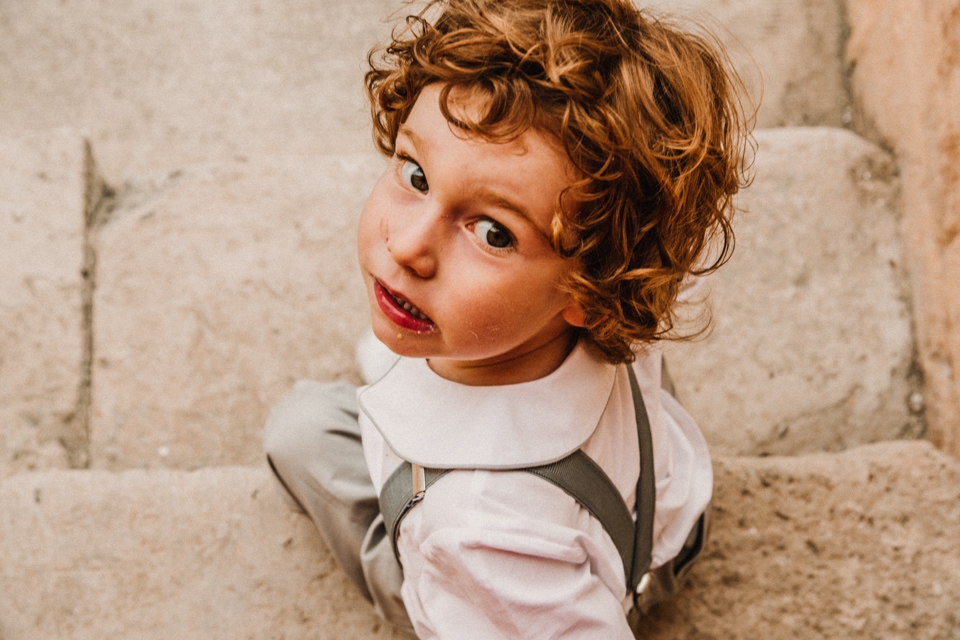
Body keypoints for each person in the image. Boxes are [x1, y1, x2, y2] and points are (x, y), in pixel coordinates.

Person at [264, 0, 750, 637]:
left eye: (493, 232)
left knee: (298, 433)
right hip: (656, 514)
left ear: (590, 289)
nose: (409, 245)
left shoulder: (478, 534)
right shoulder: (623, 278)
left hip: (525, 592)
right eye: (415, 174)